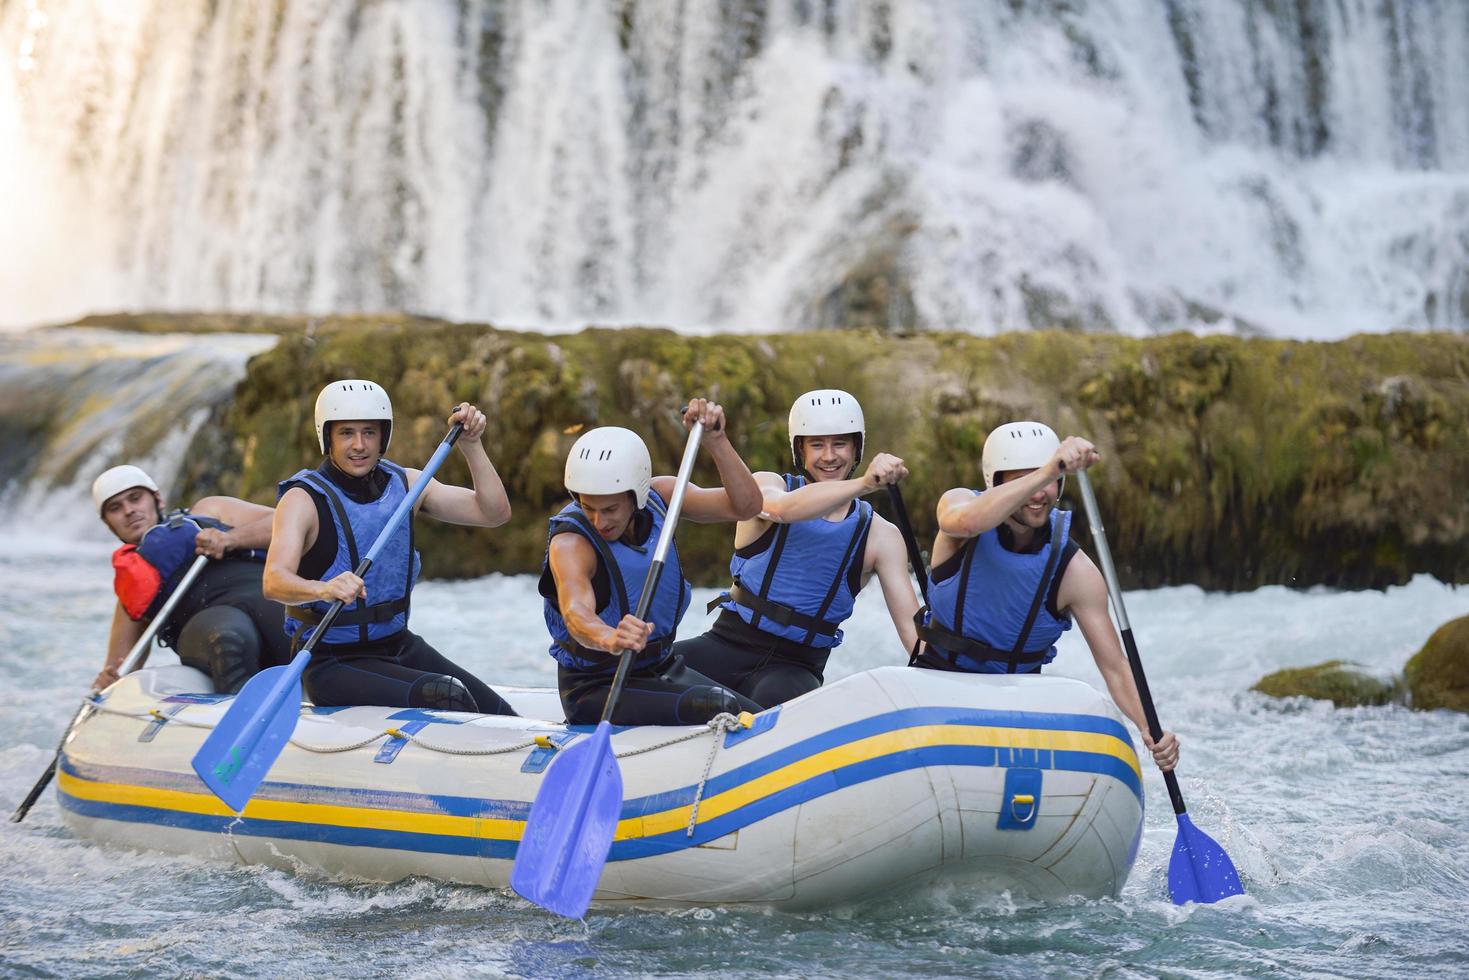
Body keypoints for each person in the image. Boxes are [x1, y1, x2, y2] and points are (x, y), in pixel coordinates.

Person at [913, 421, 1180, 772]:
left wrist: (1150, 728)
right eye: (1023, 480)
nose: (1039, 494)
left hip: (1018, 703)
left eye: (1051, 481)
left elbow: (1114, 667)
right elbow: (964, 522)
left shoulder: (1076, 572)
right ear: (995, 482)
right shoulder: (959, 506)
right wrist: (1049, 468)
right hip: (938, 685)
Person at [265, 379, 516, 715]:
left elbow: (494, 513)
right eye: (346, 433)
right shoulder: (303, 500)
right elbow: (273, 581)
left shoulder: (409, 485)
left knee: (498, 712)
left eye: (369, 432)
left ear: (384, 435)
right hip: (332, 661)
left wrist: (471, 445)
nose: (359, 445)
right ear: (327, 437)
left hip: (397, 646)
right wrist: (324, 588)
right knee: (446, 696)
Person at [674, 388, 921, 707]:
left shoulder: (881, 536)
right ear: (799, 451)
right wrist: (865, 484)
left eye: (840, 443)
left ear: (856, 449)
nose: (829, 456)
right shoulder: (767, 485)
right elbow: (782, 510)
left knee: (773, 705)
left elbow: (913, 635)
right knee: (645, 669)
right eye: (817, 445)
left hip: (796, 668)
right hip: (726, 643)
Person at [540, 399, 766, 726]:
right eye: (589, 507)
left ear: (637, 494)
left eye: (611, 509)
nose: (599, 521)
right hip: (597, 688)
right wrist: (609, 638)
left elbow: (746, 506)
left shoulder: (662, 498)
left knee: (760, 718)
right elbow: (576, 611)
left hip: (659, 669)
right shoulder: (571, 543)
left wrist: (717, 442)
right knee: (716, 704)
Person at [92, 464, 290, 694]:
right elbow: (121, 665)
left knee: (289, 622)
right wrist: (108, 678)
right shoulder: (133, 588)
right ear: (107, 523)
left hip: (264, 600)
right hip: (209, 631)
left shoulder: (208, 510)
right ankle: (243, 717)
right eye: (116, 508)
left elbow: (288, 525)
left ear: (158, 499)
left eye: (135, 498)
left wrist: (232, 538)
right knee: (227, 636)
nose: (129, 510)